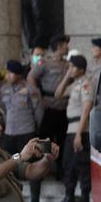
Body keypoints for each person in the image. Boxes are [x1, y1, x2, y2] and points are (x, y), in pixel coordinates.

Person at [0, 60, 45, 202]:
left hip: (26, 131)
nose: (8, 75)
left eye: (11, 73)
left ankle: (35, 201)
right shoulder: (4, 89)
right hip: (9, 133)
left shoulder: (30, 89)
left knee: (32, 165)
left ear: (18, 74)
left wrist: (35, 128)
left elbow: (38, 111)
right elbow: (3, 111)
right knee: (6, 165)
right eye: (7, 72)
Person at [53, 55, 93, 202]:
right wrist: (67, 76)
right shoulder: (76, 83)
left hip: (80, 129)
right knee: (68, 164)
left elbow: (86, 109)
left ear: (81, 69)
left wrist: (79, 134)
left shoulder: (86, 84)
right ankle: (68, 196)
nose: (70, 69)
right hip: (71, 129)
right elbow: (58, 93)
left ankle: (84, 198)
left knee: (81, 164)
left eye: (73, 67)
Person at [30, 34, 71, 173]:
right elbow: (31, 77)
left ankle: (60, 169)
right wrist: (39, 98)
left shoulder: (68, 64)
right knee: (44, 140)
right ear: (59, 46)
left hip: (64, 108)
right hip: (48, 107)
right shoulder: (44, 62)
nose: (68, 47)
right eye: (66, 44)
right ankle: (41, 169)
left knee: (62, 140)